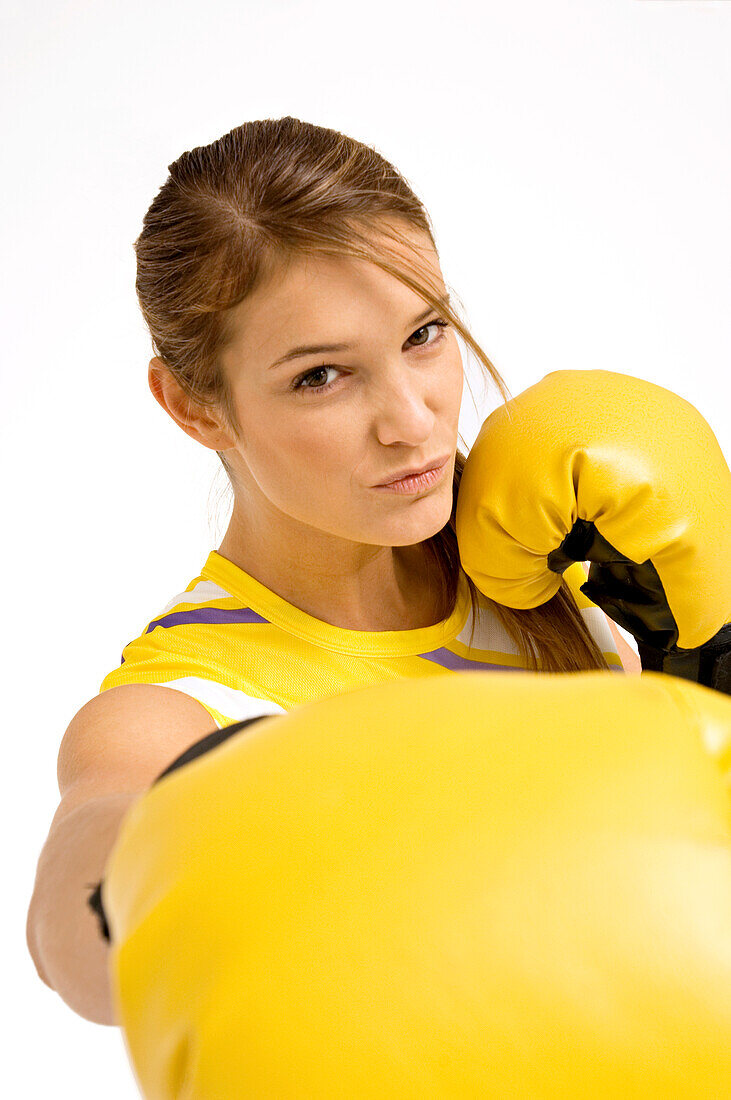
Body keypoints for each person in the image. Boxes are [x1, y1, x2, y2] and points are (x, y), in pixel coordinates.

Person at [25, 116, 637, 1028]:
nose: (413, 420)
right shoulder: (186, 703)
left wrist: (700, 674)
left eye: (424, 333)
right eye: (321, 376)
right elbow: (71, 938)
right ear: (194, 408)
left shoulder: (558, 579)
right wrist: (202, 844)